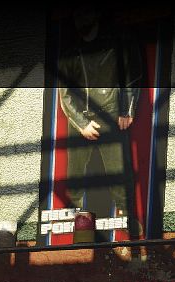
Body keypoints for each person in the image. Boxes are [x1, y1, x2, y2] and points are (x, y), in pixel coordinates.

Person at [57, 16, 143, 236]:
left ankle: (126, 214)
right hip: (82, 118)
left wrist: (127, 110)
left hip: (111, 115)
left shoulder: (118, 44)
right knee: (75, 171)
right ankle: (72, 215)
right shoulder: (69, 53)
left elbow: (132, 76)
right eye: (81, 26)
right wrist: (82, 124)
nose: (85, 31)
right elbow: (65, 94)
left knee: (118, 170)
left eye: (88, 25)